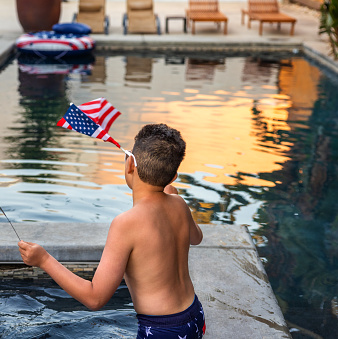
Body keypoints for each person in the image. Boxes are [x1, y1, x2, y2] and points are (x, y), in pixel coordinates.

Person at [18, 123, 205, 338]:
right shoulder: (179, 204)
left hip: (162, 329)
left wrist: (44, 260)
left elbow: (95, 298)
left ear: (129, 167)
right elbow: (196, 238)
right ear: (173, 177)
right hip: (194, 314)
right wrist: (173, 197)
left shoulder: (126, 223)